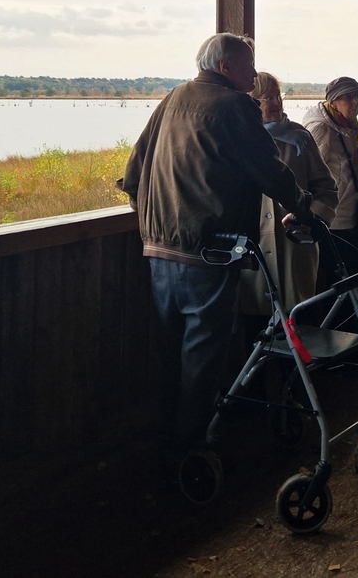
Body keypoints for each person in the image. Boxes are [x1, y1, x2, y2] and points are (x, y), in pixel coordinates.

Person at [117, 33, 313, 458]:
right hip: (207, 252)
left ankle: (166, 441)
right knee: (203, 358)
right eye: (248, 65)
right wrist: (303, 205)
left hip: (158, 249)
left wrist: (149, 217)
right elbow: (268, 170)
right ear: (225, 67)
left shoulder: (172, 98)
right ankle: (192, 450)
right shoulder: (234, 107)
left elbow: (134, 168)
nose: (254, 73)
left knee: (169, 351)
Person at [238, 72, 339, 317]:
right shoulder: (238, 140)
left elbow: (326, 188)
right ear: (251, 103)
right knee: (256, 319)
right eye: (266, 98)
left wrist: (311, 218)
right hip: (254, 245)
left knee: (300, 315)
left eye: (277, 96)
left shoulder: (300, 137)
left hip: (295, 244)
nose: (275, 103)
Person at [303, 77, 358, 260]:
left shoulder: (346, 125)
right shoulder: (322, 129)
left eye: (357, 97)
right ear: (333, 101)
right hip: (333, 218)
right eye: (348, 97)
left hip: (350, 212)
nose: (355, 102)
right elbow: (309, 173)